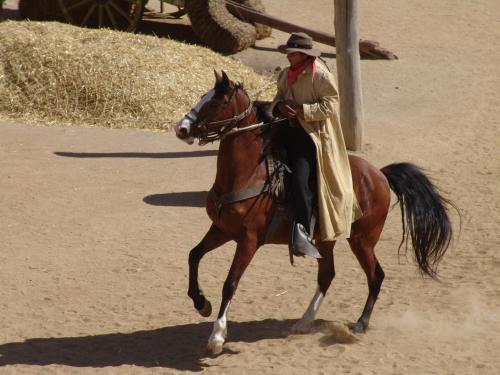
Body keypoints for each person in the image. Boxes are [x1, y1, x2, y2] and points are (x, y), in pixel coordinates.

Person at [271, 32, 362, 258]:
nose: (288, 57)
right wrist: (280, 106)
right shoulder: (285, 74)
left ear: (302, 55)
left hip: (311, 135)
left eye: (291, 54)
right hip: (287, 129)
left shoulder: (320, 75)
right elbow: (279, 96)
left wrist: (302, 111)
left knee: (301, 180)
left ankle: (304, 231)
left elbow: (331, 105)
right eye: (288, 53)